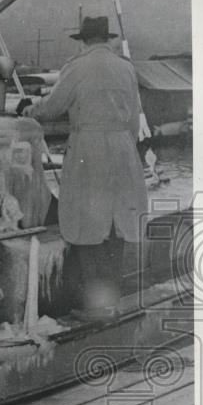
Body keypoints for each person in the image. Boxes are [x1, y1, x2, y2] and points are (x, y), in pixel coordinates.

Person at [20, 16, 148, 322]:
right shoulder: (126, 68)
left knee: (87, 226)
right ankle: (111, 301)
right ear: (107, 39)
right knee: (117, 227)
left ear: (83, 40)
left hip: (90, 152)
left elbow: (53, 106)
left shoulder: (77, 66)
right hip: (124, 150)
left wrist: (28, 109)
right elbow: (133, 118)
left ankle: (96, 307)